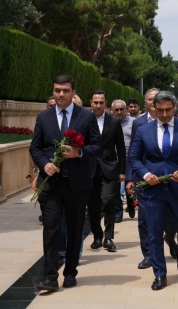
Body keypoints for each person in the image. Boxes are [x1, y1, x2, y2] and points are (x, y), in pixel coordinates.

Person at [30, 75, 102, 291]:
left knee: (74, 229)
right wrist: (44, 165)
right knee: (50, 229)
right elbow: (35, 147)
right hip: (51, 185)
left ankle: (70, 271)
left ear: (73, 92)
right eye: (57, 90)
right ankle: (49, 277)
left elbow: (97, 146)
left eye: (65, 90)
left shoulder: (86, 117)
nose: (60, 94)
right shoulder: (44, 117)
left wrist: (78, 153)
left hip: (77, 185)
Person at [129, 91, 178, 291]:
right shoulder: (143, 130)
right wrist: (145, 175)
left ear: (175, 108)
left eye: (167, 110)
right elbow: (134, 158)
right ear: (153, 108)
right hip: (153, 191)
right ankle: (160, 274)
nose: (163, 114)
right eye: (159, 110)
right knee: (154, 233)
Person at [87, 91, 126, 252]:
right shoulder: (83, 120)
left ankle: (108, 237)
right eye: (95, 102)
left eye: (101, 102)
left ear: (105, 103)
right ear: (91, 103)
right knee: (93, 205)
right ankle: (97, 235)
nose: (98, 105)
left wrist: (122, 171)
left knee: (108, 202)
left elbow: (121, 148)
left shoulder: (113, 122)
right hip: (88, 170)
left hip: (109, 169)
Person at [125, 88, 159, 269]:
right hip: (143, 176)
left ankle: (171, 243)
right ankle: (148, 254)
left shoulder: (172, 121)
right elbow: (133, 152)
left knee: (167, 218)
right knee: (144, 219)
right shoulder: (138, 123)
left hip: (165, 176)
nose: (153, 102)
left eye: (157, 99)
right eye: (150, 99)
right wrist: (130, 177)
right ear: (145, 102)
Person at [111, 99, 136, 220]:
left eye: (122, 109)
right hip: (114, 160)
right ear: (112, 111)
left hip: (129, 159)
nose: (119, 112)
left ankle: (131, 206)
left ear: (126, 110)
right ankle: (118, 213)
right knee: (115, 188)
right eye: (117, 110)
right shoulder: (109, 122)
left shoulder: (134, 122)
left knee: (129, 185)